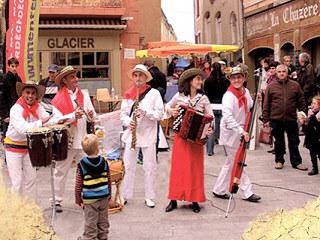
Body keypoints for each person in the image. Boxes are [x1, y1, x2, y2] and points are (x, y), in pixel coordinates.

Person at [164, 68, 213, 213]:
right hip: (181, 137)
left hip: (196, 140)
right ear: (190, 81)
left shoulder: (203, 99)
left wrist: (209, 129)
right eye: (197, 79)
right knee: (178, 169)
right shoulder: (179, 96)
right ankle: (173, 199)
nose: (200, 81)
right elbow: (167, 105)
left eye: (200, 79)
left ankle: (195, 199)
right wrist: (170, 111)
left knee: (195, 169)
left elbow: (210, 117)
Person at [51, 66, 96, 212]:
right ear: (64, 80)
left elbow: (93, 117)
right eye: (72, 77)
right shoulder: (58, 99)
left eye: (76, 76)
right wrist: (72, 117)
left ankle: (88, 198)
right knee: (60, 170)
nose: (76, 79)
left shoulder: (83, 95)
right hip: (66, 141)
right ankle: (56, 201)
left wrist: (90, 114)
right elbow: (56, 120)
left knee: (88, 170)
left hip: (83, 140)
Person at [212, 67, 261, 203]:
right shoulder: (228, 96)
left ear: (244, 78)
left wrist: (258, 100)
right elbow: (227, 116)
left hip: (241, 131)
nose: (237, 80)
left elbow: (250, 106)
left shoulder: (245, 92)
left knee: (230, 163)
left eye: (239, 77)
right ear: (230, 80)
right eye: (234, 78)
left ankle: (219, 189)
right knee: (238, 163)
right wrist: (241, 131)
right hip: (231, 133)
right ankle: (247, 192)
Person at [120, 64, 163, 208]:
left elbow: (160, 114)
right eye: (136, 76)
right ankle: (125, 195)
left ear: (146, 77)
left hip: (148, 135)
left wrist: (146, 113)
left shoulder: (154, 94)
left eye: (141, 75)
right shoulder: (128, 94)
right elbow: (123, 115)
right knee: (128, 165)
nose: (138, 79)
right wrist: (128, 122)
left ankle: (150, 196)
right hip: (132, 135)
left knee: (150, 166)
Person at [4, 81, 54, 200]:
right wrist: (41, 122)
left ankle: (32, 209)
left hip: (28, 147)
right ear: (22, 93)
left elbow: (48, 119)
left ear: (36, 95)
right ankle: (16, 210)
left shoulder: (38, 107)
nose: (30, 96)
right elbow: (23, 128)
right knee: (17, 181)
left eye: (33, 93)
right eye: (27, 93)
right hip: (13, 148)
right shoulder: (16, 109)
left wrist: (68, 117)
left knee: (32, 179)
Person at [263, 64, 308, 171]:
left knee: (294, 141)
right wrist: (266, 119)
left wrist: (303, 116)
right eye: (279, 72)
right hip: (276, 119)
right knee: (279, 141)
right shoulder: (271, 87)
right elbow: (266, 104)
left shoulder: (295, 85)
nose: (282, 73)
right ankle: (279, 160)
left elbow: (301, 102)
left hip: (291, 118)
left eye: (284, 71)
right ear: (276, 73)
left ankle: (296, 162)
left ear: (287, 73)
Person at [75, 134, 112, 240]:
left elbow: (78, 184)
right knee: (103, 221)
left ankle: (90, 237)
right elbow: (109, 180)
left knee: (90, 222)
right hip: (104, 197)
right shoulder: (104, 162)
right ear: (98, 148)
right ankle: (103, 237)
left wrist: (78, 199)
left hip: (90, 200)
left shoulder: (81, 165)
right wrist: (109, 194)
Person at [204, 62, 229, 156]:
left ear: (212, 69)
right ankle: (227, 151)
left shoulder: (208, 80)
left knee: (211, 129)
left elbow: (205, 93)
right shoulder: (225, 80)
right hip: (223, 105)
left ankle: (210, 150)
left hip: (211, 106)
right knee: (224, 129)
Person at [0, 57, 22, 138]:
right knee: (7, 135)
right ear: (8, 66)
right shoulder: (4, 79)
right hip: (8, 111)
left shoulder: (18, 79)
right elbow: (2, 98)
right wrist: (5, 115)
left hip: (17, 110)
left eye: (16, 66)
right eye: (12, 66)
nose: (14, 68)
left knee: (16, 134)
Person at [301, 95, 320, 175]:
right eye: (312, 103)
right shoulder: (311, 113)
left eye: (315, 103)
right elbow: (308, 126)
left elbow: (317, 125)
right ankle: (315, 168)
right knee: (312, 153)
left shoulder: (318, 115)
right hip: (311, 137)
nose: (313, 105)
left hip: (318, 137)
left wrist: (312, 117)